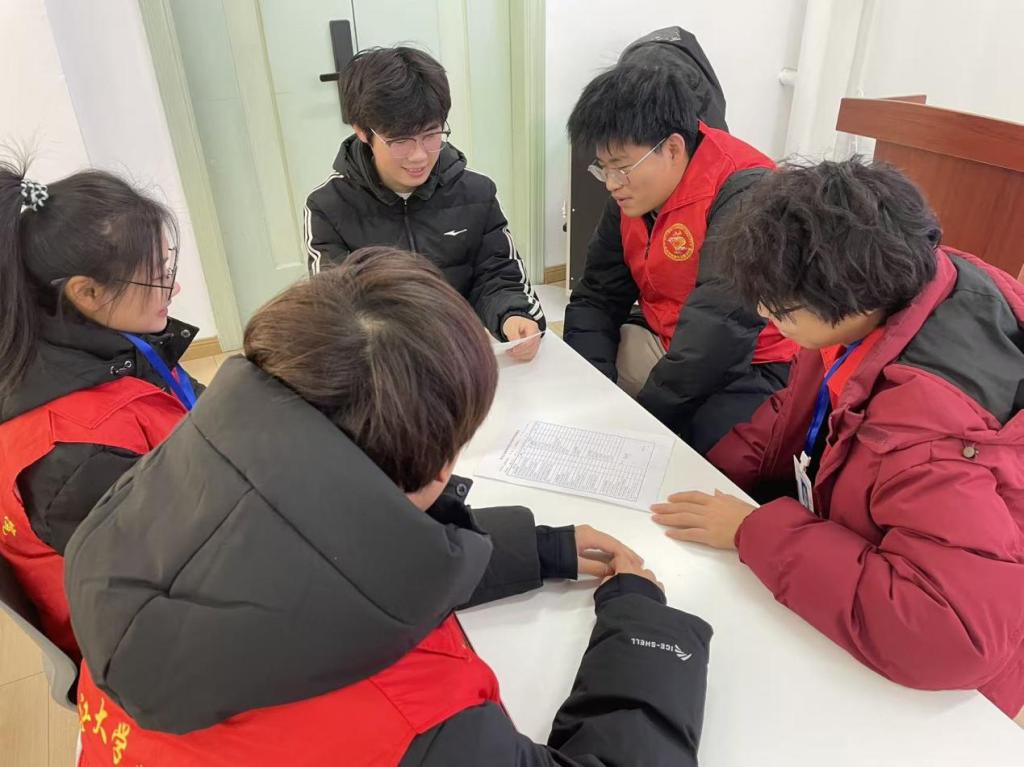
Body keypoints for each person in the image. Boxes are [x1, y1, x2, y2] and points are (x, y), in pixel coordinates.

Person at [66, 247, 713, 766]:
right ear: (442, 466)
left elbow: (313, 558)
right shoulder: (411, 718)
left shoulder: (135, 525)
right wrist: (642, 626)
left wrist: (538, 549)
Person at [651, 159, 1024, 723]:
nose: (766, 317)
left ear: (853, 296)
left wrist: (755, 531)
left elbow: (953, 635)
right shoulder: (893, 291)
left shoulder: (927, 431)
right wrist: (706, 474)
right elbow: (798, 417)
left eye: (781, 310)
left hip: (945, 702)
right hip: (864, 567)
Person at [0, 162, 199, 661]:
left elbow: (191, 404)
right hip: (139, 642)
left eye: (167, 268)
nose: (173, 289)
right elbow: (172, 573)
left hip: (180, 537)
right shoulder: (72, 455)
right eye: (157, 278)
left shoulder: (103, 343)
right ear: (86, 292)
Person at [563, 59, 797, 453]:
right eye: (603, 168)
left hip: (752, 360)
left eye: (621, 167)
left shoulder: (745, 193)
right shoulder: (631, 193)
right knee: (576, 387)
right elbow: (597, 296)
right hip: (668, 339)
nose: (611, 184)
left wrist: (644, 423)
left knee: (702, 455)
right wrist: (595, 394)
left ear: (672, 147)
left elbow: (717, 336)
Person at [305, 46, 545, 361]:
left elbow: (498, 274)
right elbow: (336, 309)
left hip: (464, 356)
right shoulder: (329, 208)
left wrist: (512, 315)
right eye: (400, 141)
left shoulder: (476, 193)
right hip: (384, 362)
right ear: (362, 131)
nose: (419, 156)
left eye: (431, 135)